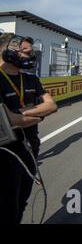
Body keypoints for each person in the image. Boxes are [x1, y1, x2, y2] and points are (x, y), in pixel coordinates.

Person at [0, 34, 57, 224]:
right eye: (26, 52)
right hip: (6, 154)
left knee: (22, 202)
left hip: (31, 148)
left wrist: (21, 115)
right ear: (9, 52)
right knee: (7, 207)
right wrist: (39, 114)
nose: (31, 57)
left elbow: (52, 105)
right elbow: (7, 120)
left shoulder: (31, 78)